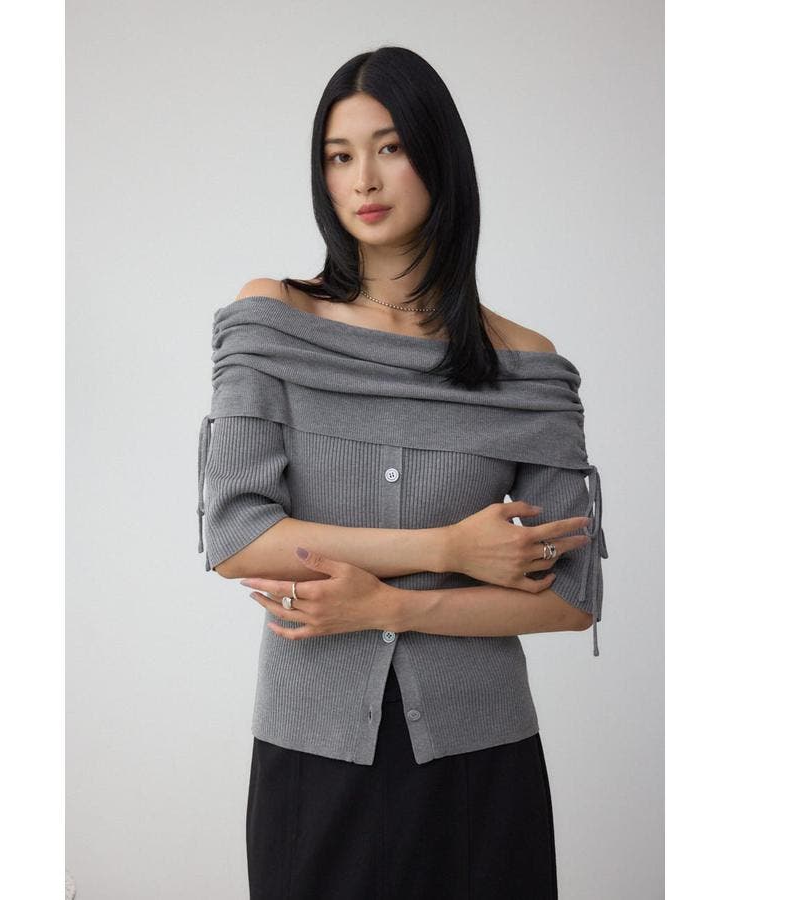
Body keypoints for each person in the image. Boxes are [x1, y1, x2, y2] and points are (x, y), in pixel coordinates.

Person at [196, 46, 608, 900]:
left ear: (438, 155)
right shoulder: (273, 320)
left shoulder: (526, 366)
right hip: (313, 753)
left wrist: (394, 607)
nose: (363, 179)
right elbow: (237, 536)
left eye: (389, 147)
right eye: (339, 156)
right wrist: (448, 548)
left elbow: (569, 599)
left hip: (482, 762)